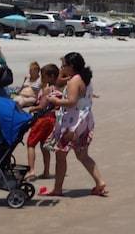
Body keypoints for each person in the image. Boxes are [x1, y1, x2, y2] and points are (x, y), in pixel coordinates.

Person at [43, 52, 107, 197]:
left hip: (72, 123)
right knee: (82, 155)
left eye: (63, 65)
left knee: (60, 155)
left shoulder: (74, 80)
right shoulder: (85, 78)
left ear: (71, 66)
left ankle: (57, 189)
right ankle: (100, 182)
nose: (61, 68)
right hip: (85, 120)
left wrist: (55, 101)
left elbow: (71, 102)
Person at [24, 63, 61, 181]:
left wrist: (32, 109)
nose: (42, 78)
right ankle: (46, 172)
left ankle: (31, 170)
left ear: (51, 76)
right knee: (44, 146)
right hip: (52, 119)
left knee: (31, 143)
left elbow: (42, 106)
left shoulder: (47, 89)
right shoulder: (58, 89)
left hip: (43, 119)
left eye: (43, 76)